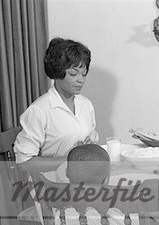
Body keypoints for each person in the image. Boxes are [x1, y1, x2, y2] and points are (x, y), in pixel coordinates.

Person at [14, 37, 98, 173]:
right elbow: (24, 163)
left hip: (81, 177)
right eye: (73, 74)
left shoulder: (85, 105)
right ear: (57, 72)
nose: (80, 80)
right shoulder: (39, 110)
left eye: (84, 74)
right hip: (51, 184)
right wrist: (69, 160)